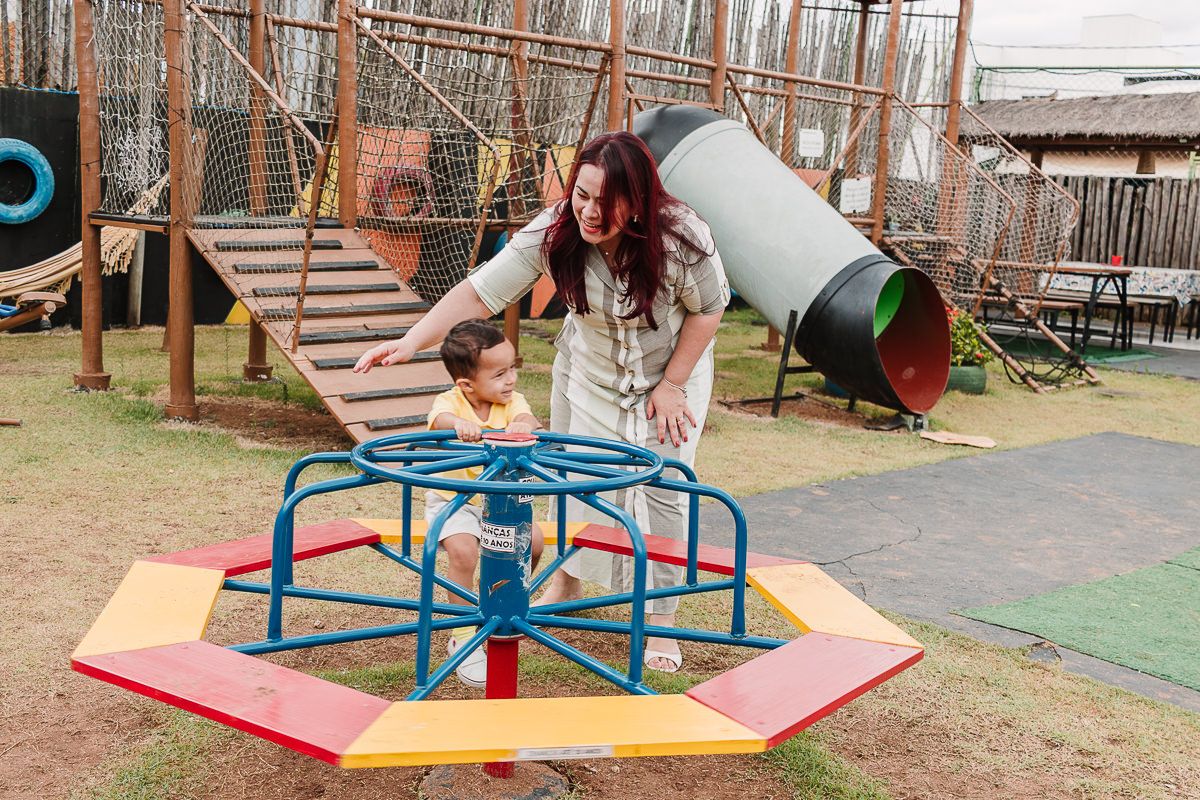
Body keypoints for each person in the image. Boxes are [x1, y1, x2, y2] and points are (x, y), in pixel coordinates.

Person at [355, 131, 729, 673]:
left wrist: (671, 384)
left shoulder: (682, 239)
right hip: (591, 372)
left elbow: (709, 309)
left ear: (641, 198)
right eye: (582, 194)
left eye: (608, 200)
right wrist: (412, 340)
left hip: (671, 376)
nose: (590, 211)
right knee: (570, 479)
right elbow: (482, 291)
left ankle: (661, 623)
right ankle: (565, 580)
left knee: (666, 485)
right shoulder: (556, 231)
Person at [424, 319, 544, 687]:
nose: (511, 381)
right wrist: (458, 424)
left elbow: (528, 418)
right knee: (463, 554)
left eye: (513, 369)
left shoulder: (511, 403)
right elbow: (438, 418)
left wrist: (524, 426)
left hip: (501, 504)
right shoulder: (451, 402)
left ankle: (501, 606)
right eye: (500, 374)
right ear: (467, 384)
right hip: (454, 501)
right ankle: (462, 635)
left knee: (535, 544)